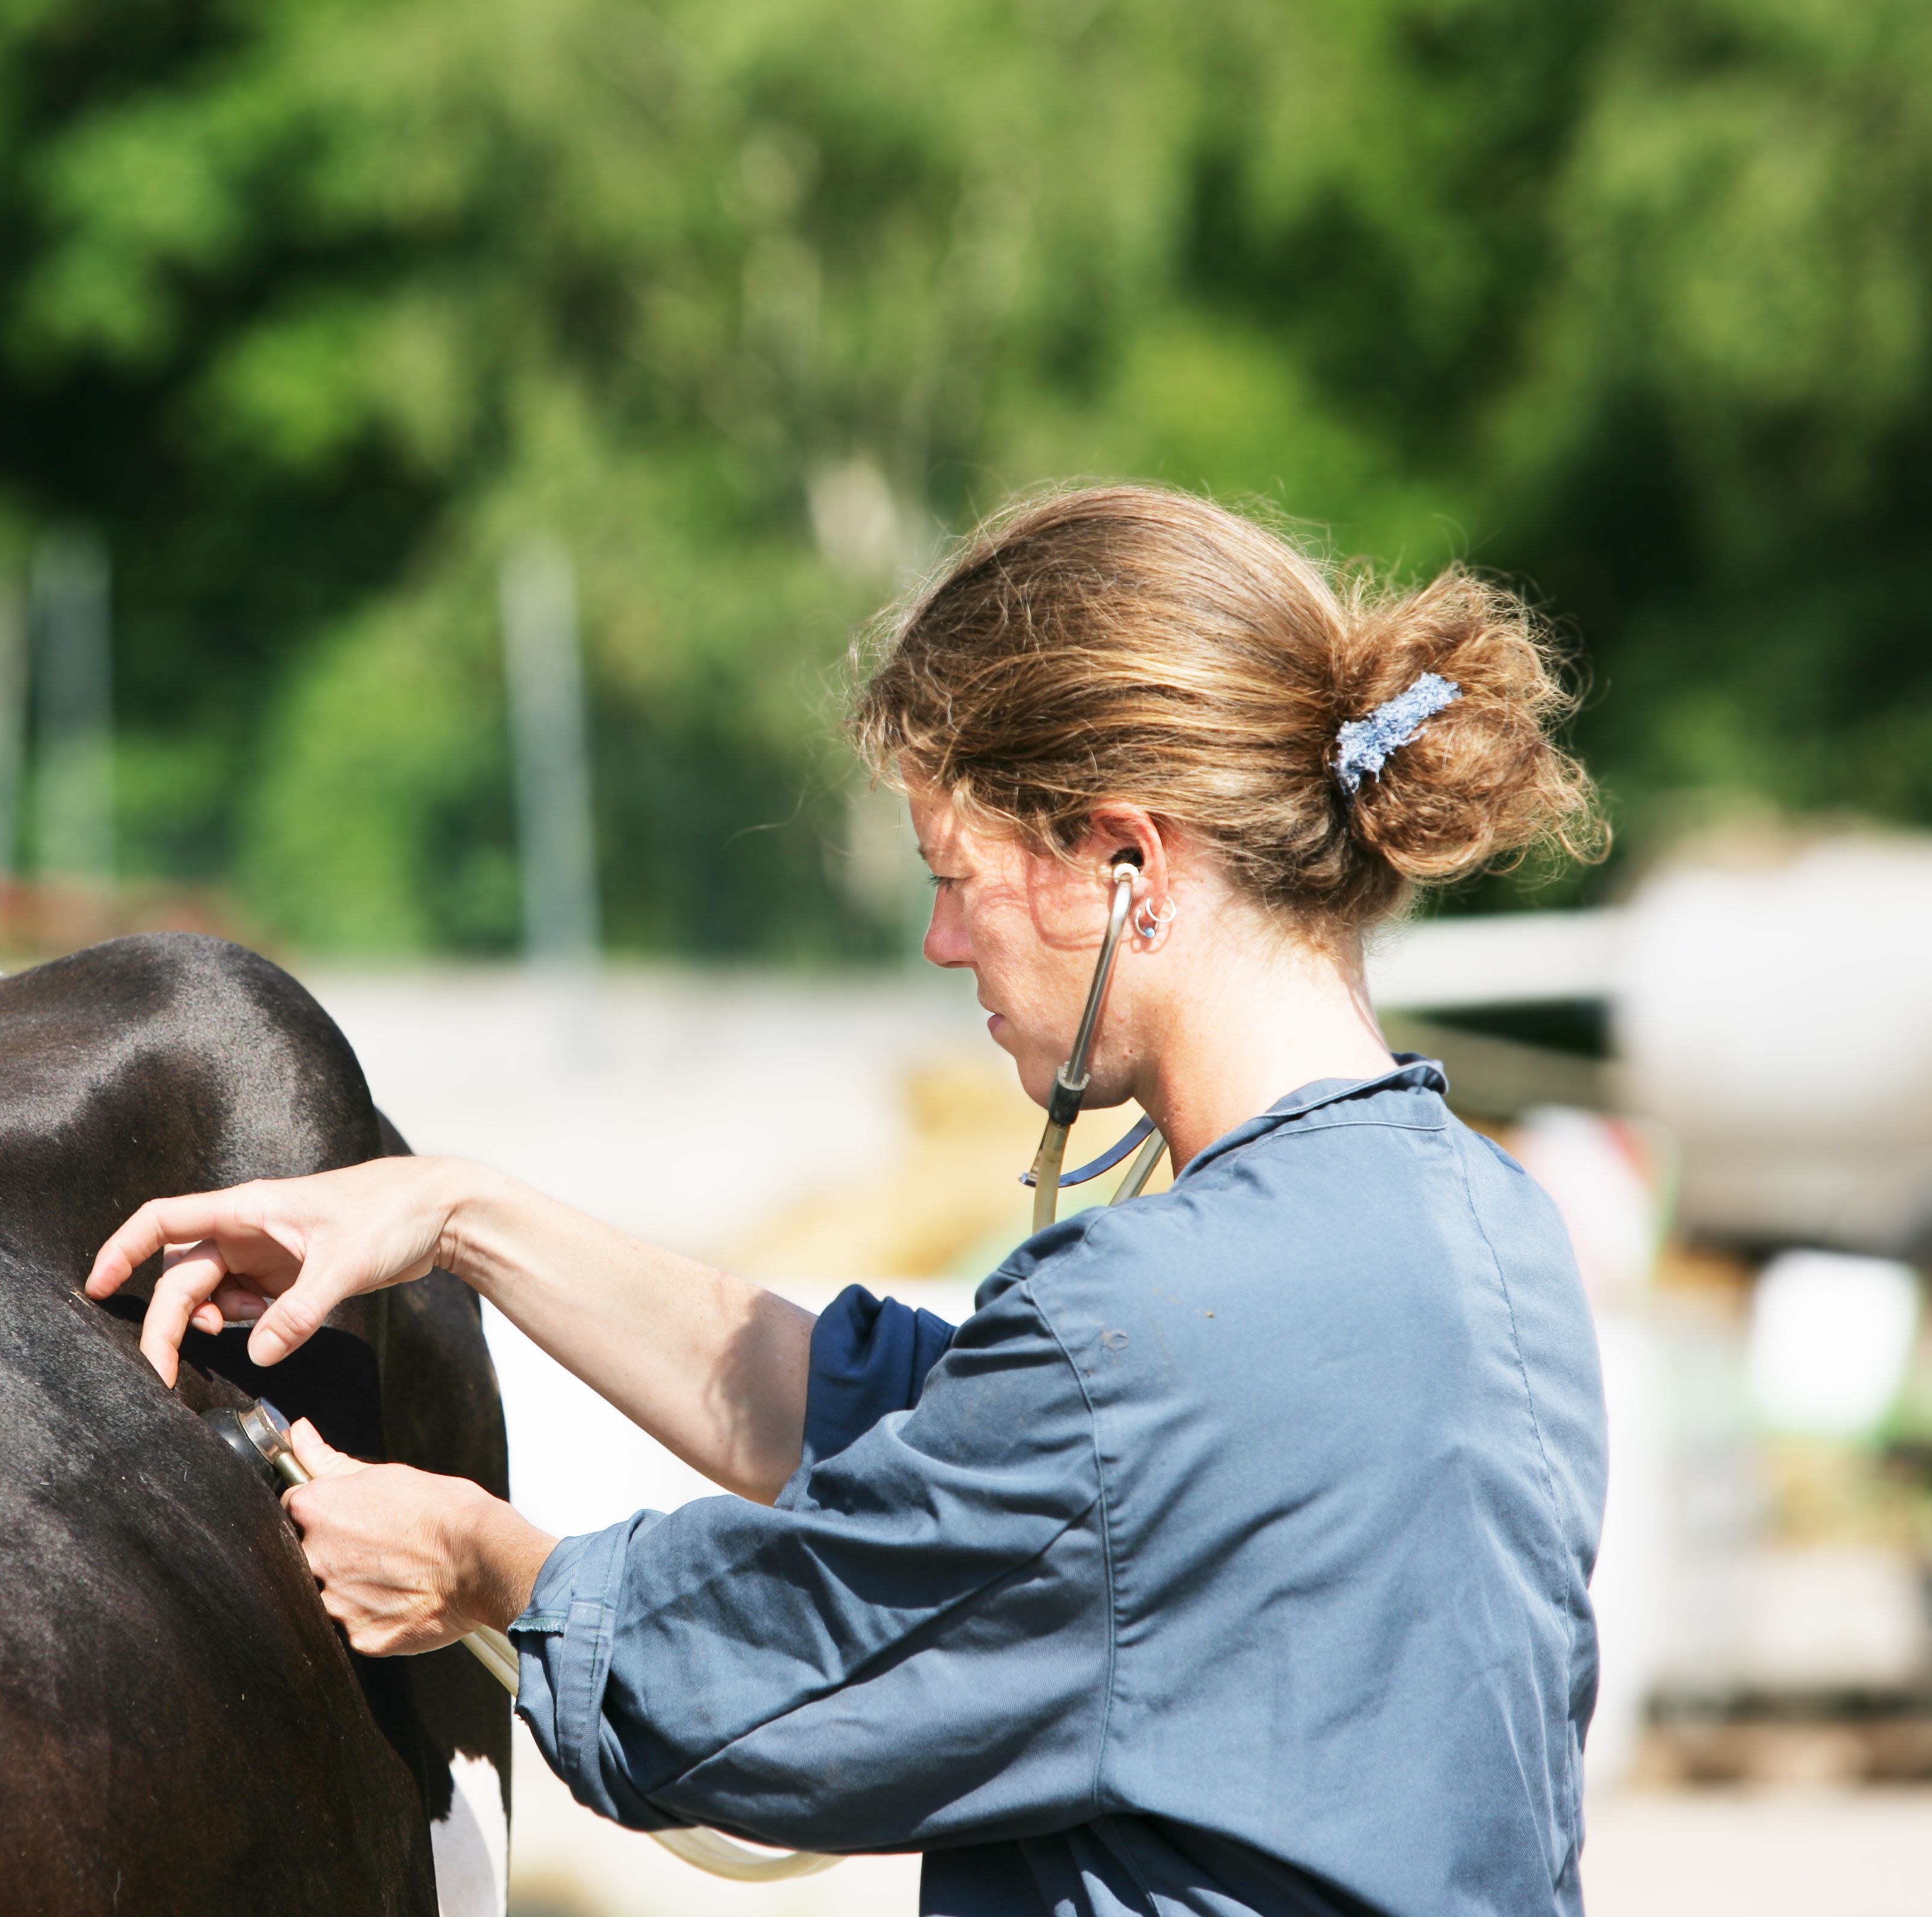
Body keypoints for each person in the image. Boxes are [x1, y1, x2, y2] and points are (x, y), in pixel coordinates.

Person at [88, 484, 1611, 1917]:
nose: (947, 944)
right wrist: (462, 1212)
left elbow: (787, 1668)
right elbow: (935, 1441)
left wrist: (498, 1574)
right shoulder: (1486, 1228)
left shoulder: (1144, 1336)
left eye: (954, 875)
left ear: (1123, 861)